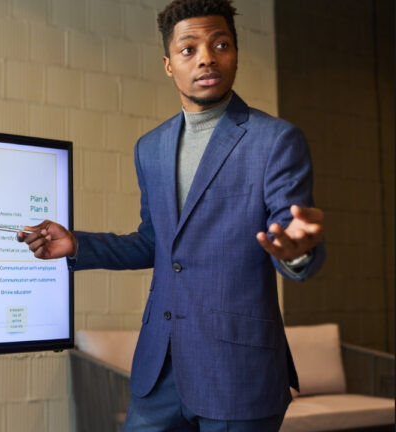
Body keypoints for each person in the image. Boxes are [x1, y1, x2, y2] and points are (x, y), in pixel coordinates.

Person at [18, 0, 325, 430]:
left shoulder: (275, 140)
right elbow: (156, 242)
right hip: (160, 368)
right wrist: (78, 244)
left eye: (220, 44)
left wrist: (293, 250)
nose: (206, 57)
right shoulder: (151, 147)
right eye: (189, 49)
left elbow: (287, 229)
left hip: (238, 370)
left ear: (235, 53)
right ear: (168, 64)